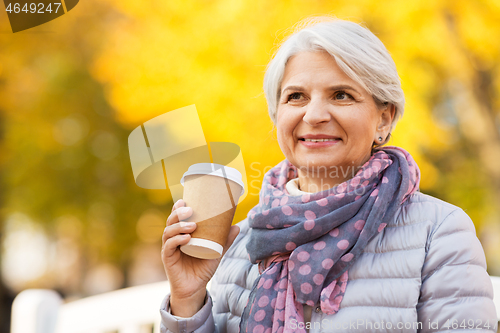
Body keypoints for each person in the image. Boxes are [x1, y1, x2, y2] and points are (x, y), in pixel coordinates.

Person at [159, 17, 498, 333]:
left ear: (383, 119)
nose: (315, 114)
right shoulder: (243, 241)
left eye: (341, 95)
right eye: (296, 97)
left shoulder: (438, 233)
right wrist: (188, 299)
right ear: (277, 116)